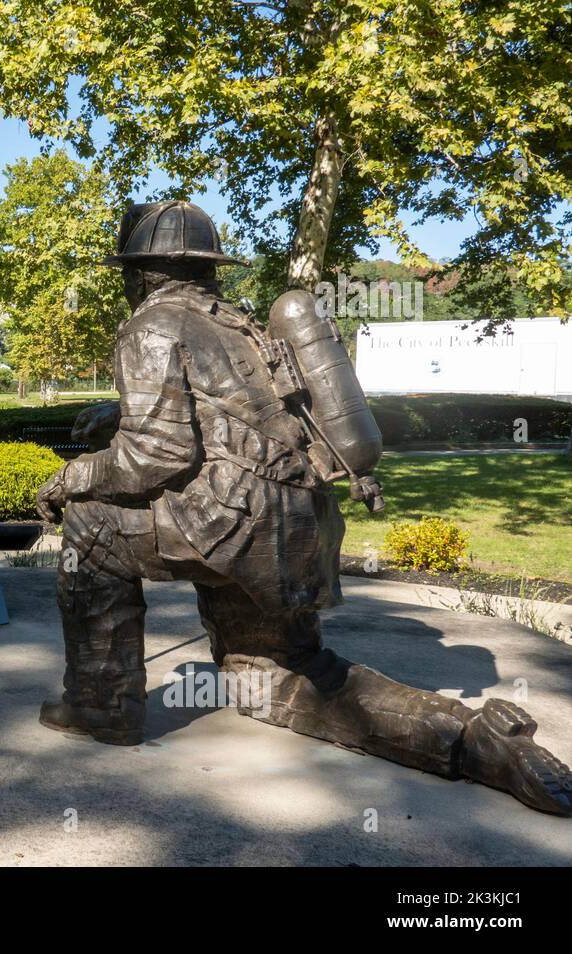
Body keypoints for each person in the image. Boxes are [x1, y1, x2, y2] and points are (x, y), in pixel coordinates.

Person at [35, 199, 572, 815]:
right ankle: (474, 739)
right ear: (209, 270)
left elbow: (156, 456)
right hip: (296, 527)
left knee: (91, 527)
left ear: (141, 272)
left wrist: (72, 476)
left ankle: (102, 707)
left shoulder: (150, 326)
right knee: (274, 679)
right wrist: (118, 416)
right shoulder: (238, 323)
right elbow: (228, 415)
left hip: (227, 521)